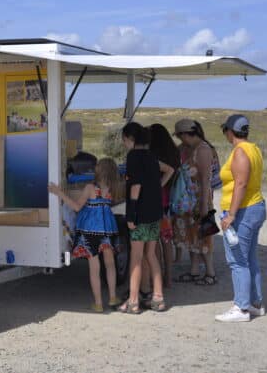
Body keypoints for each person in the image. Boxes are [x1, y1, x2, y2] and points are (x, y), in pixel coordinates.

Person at [48, 158, 121, 312]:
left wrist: (59, 192)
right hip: (108, 230)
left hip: (90, 231)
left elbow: (76, 206)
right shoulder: (114, 189)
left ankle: (98, 303)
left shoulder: (90, 188)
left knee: (94, 268)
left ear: (99, 170)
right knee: (110, 264)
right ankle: (113, 297)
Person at [215, 114, 267, 322]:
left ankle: (241, 307)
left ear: (230, 131)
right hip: (255, 207)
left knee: (237, 260)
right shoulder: (254, 149)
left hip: (243, 211)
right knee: (250, 258)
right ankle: (255, 303)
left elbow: (241, 184)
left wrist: (232, 215)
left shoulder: (240, 153)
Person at [119, 122, 174, 314]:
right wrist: (157, 187)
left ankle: (133, 301)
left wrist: (131, 213)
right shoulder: (151, 156)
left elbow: (135, 187)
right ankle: (158, 297)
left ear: (131, 139)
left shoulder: (133, 157)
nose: (124, 144)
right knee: (151, 254)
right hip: (154, 213)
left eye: (124, 140)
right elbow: (170, 170)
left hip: (141, 213)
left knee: (136, 257)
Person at [172, 119, 218, 286]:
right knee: (192, 237)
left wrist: (205, 206)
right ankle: (194, 271)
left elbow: (206, 180)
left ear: (185, 134)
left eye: (179, 136)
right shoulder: (187, 148)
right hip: (188, 202)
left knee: (204, 236)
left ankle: (210, 273)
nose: (179, 139)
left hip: (200, 201)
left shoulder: (203, 150)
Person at [148, 123, 181, 286]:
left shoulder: (153, 155)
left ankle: (158, 278)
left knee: (155, 242)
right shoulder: (174, 152)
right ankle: (169, 278)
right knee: (167, 240)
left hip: (155, 201)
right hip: (169, 200)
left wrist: (156, 186)